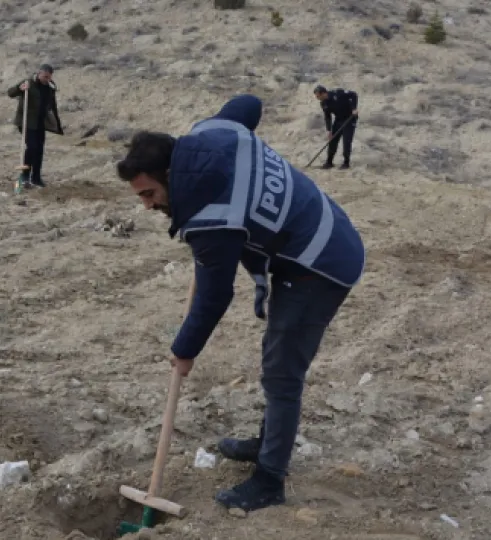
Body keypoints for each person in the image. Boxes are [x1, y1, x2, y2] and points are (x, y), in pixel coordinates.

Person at [115, 94, 366, 512]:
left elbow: (215, 295)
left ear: (170, 174)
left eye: (150, 193)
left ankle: (269, 480)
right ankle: (269, 442)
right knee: (275, 357)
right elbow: (247, 104)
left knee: (283, 369)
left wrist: (184, 350)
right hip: (319, 229)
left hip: (320, 260)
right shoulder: (210, 132)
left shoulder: (212, 217)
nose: (147, 205)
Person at [6, 64, 63, 188]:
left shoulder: (50, 87)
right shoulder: (28, 83)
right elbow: (10, 93)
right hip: (26, 122)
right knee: (32, 147)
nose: (46, 79)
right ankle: (25, 175)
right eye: (44, 76)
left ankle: (36, 178)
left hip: (40, 123)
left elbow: (52, 105)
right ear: (39, 73)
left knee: (39, 150)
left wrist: (55, 122)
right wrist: (20, 89)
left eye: (49, 77)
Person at [313, 85, 359, 170]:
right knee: (332, 141)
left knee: (346, 141)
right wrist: (328, 130)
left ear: (323, 93)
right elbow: (327, 116)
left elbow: (354, 94)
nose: (317, 98)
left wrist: (354, 108)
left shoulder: (338, 93)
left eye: (318, 96)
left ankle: (346, 163)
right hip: (338, 120)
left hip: (350, 119)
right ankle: (329, 162)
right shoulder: (323, 103)